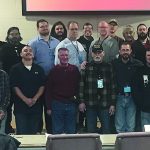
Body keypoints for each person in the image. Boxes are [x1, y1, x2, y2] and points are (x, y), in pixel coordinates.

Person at [29, 19, 60, 133]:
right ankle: (37, 131)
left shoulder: (56, 42)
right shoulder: (33, 43)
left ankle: (50, 131)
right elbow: (29, 60)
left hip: (53, 81)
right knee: (38, 107)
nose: (45, 28)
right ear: (38, 29)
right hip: (38, 80)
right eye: (42, 27)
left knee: (50, 107)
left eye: (46, 26)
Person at [79, 44, 116, 134]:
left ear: (103, 53)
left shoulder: (109, 67)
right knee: (91, 132)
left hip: (105, 104)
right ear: (92, 54)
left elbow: (113, 86)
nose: (97, 55)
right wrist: (81, 102)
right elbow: (81, 85)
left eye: (99, 52)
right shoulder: (86, 67)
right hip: (90, 104)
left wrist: (112, 104)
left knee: (106, 131)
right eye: (95, 53)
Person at [10, 45, 45, 134]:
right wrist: (25, 99)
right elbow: (14, 86)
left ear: (33, 55)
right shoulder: (15, 69)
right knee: (22, 133)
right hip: (20, 107)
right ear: (21, 54)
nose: (28, 52)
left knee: (34, 133)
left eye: (30, 50)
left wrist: (35, 99)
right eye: (25, 50)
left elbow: (42, 86)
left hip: (36, 106)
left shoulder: (39, 69)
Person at [45, 48, 80, 134]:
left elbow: (79, 87)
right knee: (57, 131)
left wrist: (79, 102)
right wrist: (48, 107)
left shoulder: (75, 70)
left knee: (71, 131)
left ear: (69, 56)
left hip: (72, 104)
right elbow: (48, 90)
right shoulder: (53, 71)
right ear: (58, 56)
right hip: (57, 104)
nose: (64, 57)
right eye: (62, 55)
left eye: (66, 55)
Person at [112, 41, 143, 133]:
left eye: (127, 50)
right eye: (123, 50)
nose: (125, 52)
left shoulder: (138, 64)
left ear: (131, 51)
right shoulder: (114, 64)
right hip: (119, 97)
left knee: (131, 126)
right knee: (119, 126)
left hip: (132, 98)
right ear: (119, 51)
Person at [0, 27, 25, 134]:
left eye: (16, 33)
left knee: (20, 107)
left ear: (19, 35)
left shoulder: (25, 48)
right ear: (8, 35)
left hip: (22, 83)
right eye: (12, 34)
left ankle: (21, 130)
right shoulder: (3, 48)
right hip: (6, 82)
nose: (14, 36)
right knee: (7, 107)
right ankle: (7, 128)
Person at [132, 50, 150, 130]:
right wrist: (141, 103)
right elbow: (136, 88)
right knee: (146, 134)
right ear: (145, 57)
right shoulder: (140, 71)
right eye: (148, 55)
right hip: (145, 109)